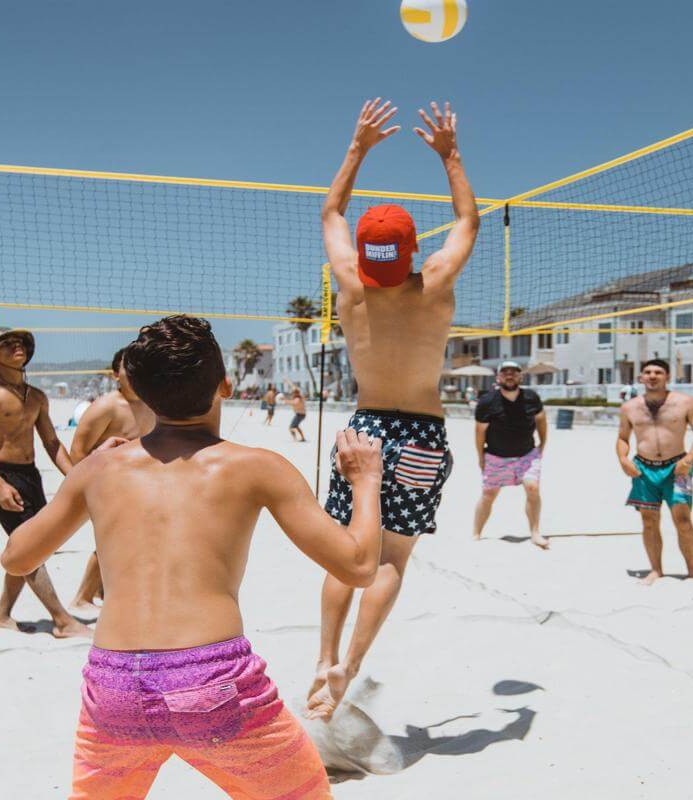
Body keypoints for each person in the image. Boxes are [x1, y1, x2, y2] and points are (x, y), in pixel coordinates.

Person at [1, 315, 384, 799]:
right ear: (225, 385)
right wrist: (366, 480)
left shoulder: (100, 469)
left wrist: (88, 475)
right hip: (211, 680)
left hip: (114, 686)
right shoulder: (258, 466)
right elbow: (358, 566)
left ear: (140, 393)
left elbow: (16, 558)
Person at [308, 97, 479, 721]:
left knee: (346, 552)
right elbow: (468, 220)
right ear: (410, 250)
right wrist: (449, 155)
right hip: (422, 434)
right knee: (391, 558)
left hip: (366, 429)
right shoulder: (434, 282)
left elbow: (331, 212)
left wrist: (358, 147)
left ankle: (323, 656)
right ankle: (349, 667)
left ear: (365, 252)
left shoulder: (350, 283)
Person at [0, 327, 90, 638]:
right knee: (30, 547)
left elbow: (51, 442)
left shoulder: (36, 396)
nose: (16, 346)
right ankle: (61, 620)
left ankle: (2, 614)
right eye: (7, 344)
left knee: (28, 546)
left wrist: (77, 476)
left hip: (30, 477)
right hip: (0, 476)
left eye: (19, 342)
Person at [68, 348, 156, 615]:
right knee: (112, 541)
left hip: (140, 484)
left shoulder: (150, 404)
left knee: (132, 541)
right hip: (108, 485)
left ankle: (101, 593)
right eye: (129, 367)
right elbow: (78, 452)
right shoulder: (106, 406)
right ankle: (82, 597)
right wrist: (91, 486)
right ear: (115, 374)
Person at [617, 359, 693, 585]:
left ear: (667, 376)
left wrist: (689, 459)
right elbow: (622, 438)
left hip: (678, 468)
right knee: (649, 521)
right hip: (643, 470)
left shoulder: (685, 403)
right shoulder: (629, 407)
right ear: (641, 377)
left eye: (658, 372)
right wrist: (623, 459)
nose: (652, 376)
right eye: (647, 372)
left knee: (683, 519)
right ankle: (656, 570)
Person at [473, 361, 549, 548]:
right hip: (496, 456)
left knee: (533, 488)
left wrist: (543, 444)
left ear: (520, 376)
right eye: (505, 372)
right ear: (498, 377)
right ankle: (476, 533)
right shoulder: (487, 402)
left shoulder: (531, 397)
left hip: (527, 455)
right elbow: (479, 432)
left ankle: (535, 532)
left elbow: (541, 420)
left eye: (514, 372)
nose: (509, 375)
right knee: (488, 494)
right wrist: (481, 457)